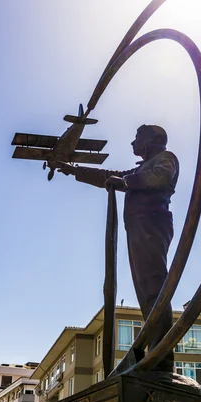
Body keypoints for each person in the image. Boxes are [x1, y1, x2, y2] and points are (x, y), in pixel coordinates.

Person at [55, 124, 179, 373]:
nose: (133, 143)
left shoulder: (166, 159)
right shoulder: (141, 168)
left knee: (154, 288)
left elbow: (156, 178)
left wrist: (124, 181)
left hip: (151, 225)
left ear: (152, 140)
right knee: (145, 290)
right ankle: (156, 350)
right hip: (138, 227)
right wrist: (74, 170)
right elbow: (108, 177)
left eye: (137, 138)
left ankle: (162, 356)